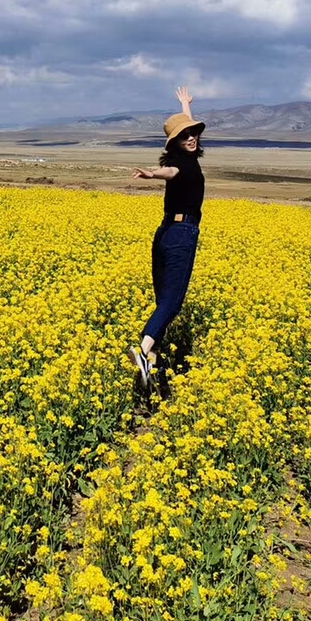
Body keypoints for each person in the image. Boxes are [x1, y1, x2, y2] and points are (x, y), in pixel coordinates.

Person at [129, 86, 205, 393]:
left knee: (163, 300)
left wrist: (185, 106)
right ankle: (144, 351)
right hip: (181, 235)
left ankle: (154, 370)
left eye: (194, 133)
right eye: (185, 135)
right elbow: (171, 172)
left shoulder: (189, 154)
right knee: (173, 302)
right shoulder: (180, 164)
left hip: (164, 234)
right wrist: (152, 175)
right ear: (174, 142)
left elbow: (185, 134)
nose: (192, 138)